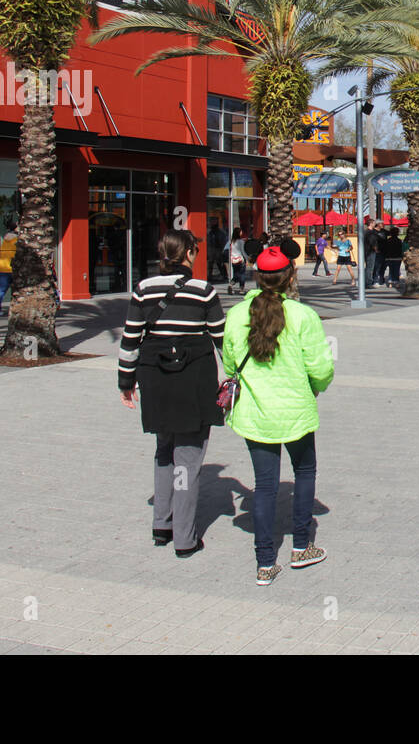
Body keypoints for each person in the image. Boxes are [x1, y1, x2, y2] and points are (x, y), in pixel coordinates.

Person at [222, 246, 334, 585]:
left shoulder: (237, 315)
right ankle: (301, 546)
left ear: (257, 276)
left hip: (255, 413)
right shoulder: (303, 316)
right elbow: (321, 367)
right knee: (305, 472)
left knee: (265, 486)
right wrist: (315, 386)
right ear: (290, 276)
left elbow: (229, 363)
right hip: (296, 410)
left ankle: (265, 563)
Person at [119, 230, 224, 558]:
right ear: (189, 253)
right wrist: (235, 378)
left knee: (164, 449)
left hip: (156, 379)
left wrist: (125, 382)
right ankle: (185, 537)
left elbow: (130, 338)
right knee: (188, 458)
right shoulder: (203, 291)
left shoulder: (143, 289)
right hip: (193, 381)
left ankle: (161, 524)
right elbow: (222, 339)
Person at [0, 224, 18, 314]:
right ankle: (16, 310)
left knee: (0, 290)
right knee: (17, 291)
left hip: (3, 268)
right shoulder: (17, 240)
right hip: (14, 268)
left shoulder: (5, 241)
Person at [226, 227, 246, 294]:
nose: (241, 233)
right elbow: (243, 251)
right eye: (240, 232)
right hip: (240, 259)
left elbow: (228, 250)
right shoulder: (241, 241)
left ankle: (230, 285)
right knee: (242, 275)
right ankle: (241, 289)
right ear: (239, 233)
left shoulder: (231, 241)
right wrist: (247, 258)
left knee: (236, 274)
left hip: (233, 260)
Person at [363, 219, 382, 287]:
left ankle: (365, 281)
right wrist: (376, 249)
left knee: (368, 267)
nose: (375, 224)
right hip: (370, 252)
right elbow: (372, 242)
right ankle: (368, 283)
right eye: (374, 223)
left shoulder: (365, 232)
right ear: (371, 223)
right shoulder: (371, 232)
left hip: (366, 251)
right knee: (370, 267)